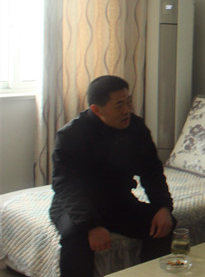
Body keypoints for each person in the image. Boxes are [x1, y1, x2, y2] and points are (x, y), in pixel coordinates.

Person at [50, 75, 175, 277]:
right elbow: (65, 185)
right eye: (119, 105)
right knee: (76, 238)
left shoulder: (136, 128)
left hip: (118, 202)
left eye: (128, 102)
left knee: (163, 224)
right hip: (77, 205)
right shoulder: (71, 135)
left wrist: (163, 206)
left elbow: (152, 171)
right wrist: (91, 225)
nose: (127, 110)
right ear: (96, 109)